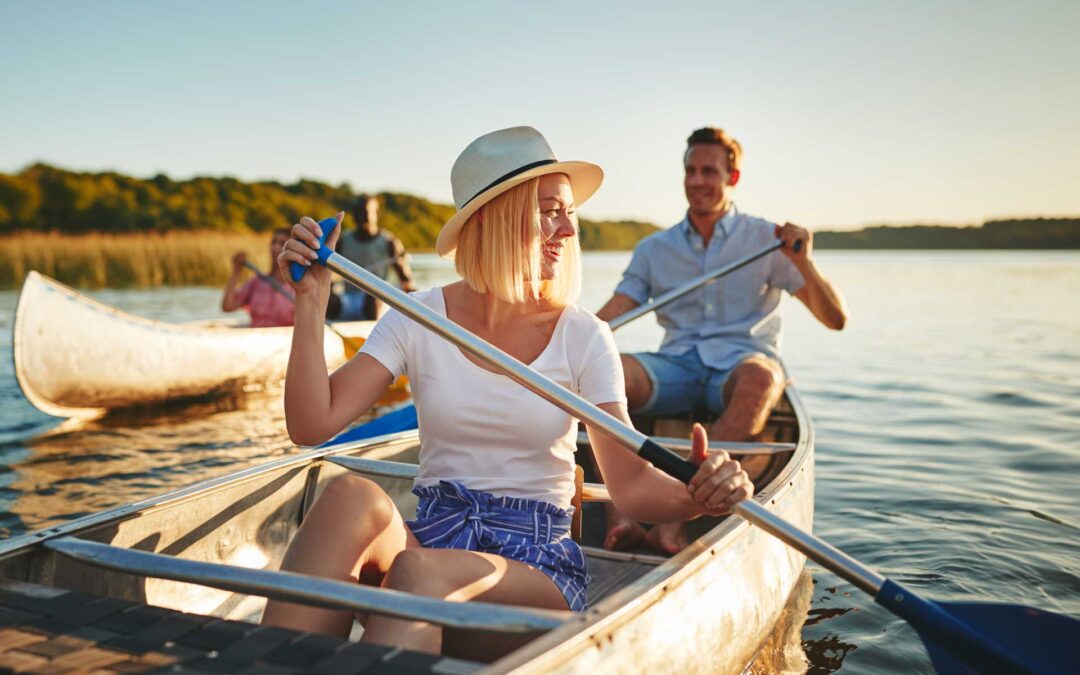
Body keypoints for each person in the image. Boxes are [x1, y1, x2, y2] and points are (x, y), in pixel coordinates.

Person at [261, 127, 753, 656]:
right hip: (432, 540)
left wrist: (697, 495)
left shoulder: (583, 335)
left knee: (419, 573)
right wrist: (310, 300)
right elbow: (311, 425)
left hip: (534, 572)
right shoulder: (417, 316)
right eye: (550, 211)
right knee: (347, 498)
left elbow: (630, 487)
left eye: (569, 213)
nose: (568, 229)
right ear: (498, 217)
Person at [595, 126, 849, 554]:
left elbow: (835, 319)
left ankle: (673, 515)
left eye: (708, 171)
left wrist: (802, 262)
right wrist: (565, 343)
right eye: (690, 171)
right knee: (605, 369)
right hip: (676, 366)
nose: (697, 181)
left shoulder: (769, 241)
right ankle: (620, 517)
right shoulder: (655, 249)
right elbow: (617, 309)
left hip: (742, 367)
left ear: (732, 178)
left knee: (762, 380)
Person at [333, 194, 417, 320]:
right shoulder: (343, 241)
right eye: (358, 212)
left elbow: (406, 281)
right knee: (330, 299)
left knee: (372, 297)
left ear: (376, 214)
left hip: (377, 302)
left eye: (365, 212)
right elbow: (327, 274)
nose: (361, 217)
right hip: (348, 299)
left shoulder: (389, 242)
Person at [221, 227, 295, 327]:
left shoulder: (299, 287)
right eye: (273, 242)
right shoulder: (257, 283)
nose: (275, 248)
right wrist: (236, 272)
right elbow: (228, 306)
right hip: (256, 339)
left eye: (282, 244)